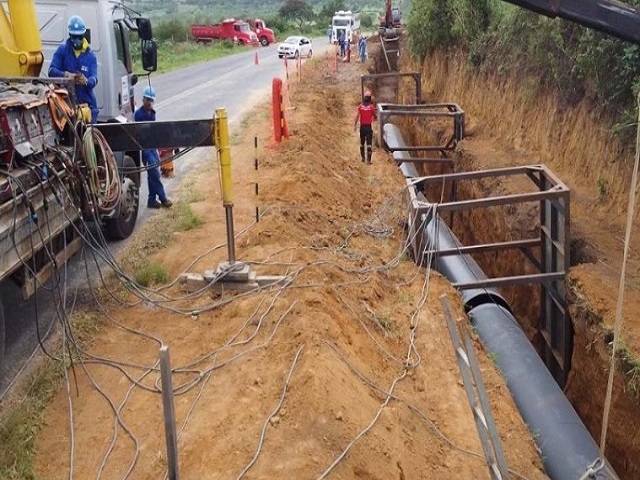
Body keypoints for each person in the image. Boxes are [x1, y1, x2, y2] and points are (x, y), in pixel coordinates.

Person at [48, 15, 99, 123]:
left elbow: (94, 79)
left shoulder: (91, 57)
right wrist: (66, 76)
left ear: (83, 35)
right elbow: (51, 71)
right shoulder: (62, 51)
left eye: (79, 37)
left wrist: (86, 81)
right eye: (73, 37)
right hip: (66, 106)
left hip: (87, 105)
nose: (76, 40)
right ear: (70, 35)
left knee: (89, 138)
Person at [134, 86, 173, 209]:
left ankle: (151, 200)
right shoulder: (139, 115)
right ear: (143, 99)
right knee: (155, 174)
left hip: (153, 147)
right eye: (148, 100)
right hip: (145, 149)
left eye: (151, 100)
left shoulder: (152, 113)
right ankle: (163, 198)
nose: (150, 103)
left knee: (152, 175)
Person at [354, 90, 376, 164]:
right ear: (370, 98)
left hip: (362, 127)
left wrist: (355, 125)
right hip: (368, 127)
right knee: (369, 144)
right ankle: (368, 161)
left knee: (362, 143)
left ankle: (363, 158)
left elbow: (357, 117)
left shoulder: (360, 106)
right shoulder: (371, 107)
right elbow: (375, 116)